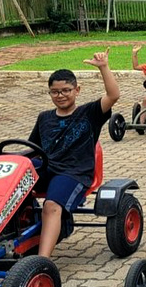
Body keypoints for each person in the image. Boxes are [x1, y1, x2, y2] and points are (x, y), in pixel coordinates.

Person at [28, 50, 120, 258]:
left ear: (77, 90)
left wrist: (104, 67)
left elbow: (113, 95)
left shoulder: (89, 114)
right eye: (55, 92)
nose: (60, 96)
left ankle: (42, 261)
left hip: (74, 172)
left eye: (66, 90)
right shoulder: (44, 118)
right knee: (9, 191)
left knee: (51, 205)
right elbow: (32, 148)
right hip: (47, 170)